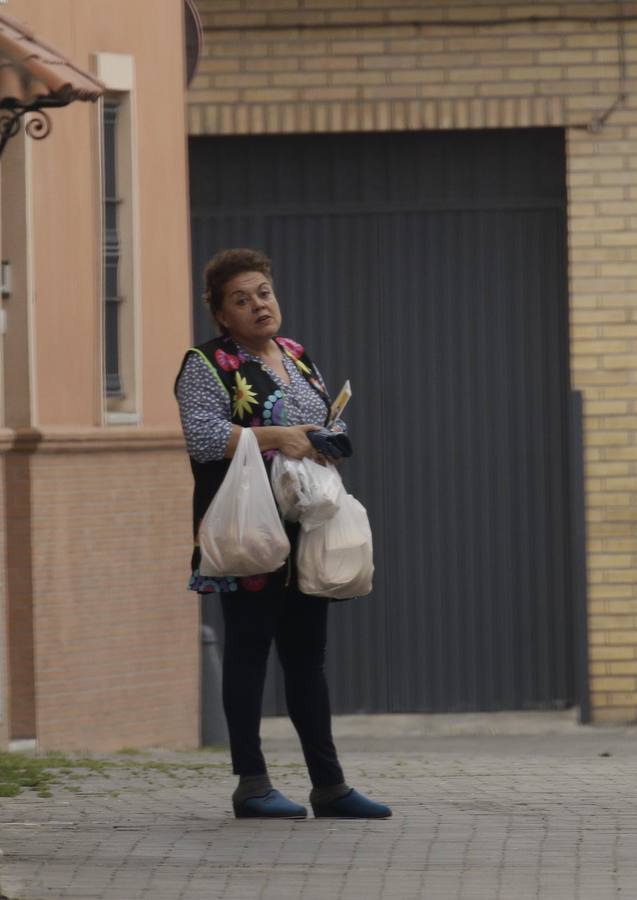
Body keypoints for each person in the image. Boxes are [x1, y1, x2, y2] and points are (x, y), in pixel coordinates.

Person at [174, 248, 390, 821]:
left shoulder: (295, 355)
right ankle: (252, 784)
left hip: (303, 527)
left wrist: (325, 435)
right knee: (247, 652)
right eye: (241, 300)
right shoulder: (207, 362)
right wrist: (275, 436)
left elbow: (320, 421)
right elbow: (201, 438)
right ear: (222, 315)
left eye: (263, 293)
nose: (257, 306)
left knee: (307, 657)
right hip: (249, 528)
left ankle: (331, 785)